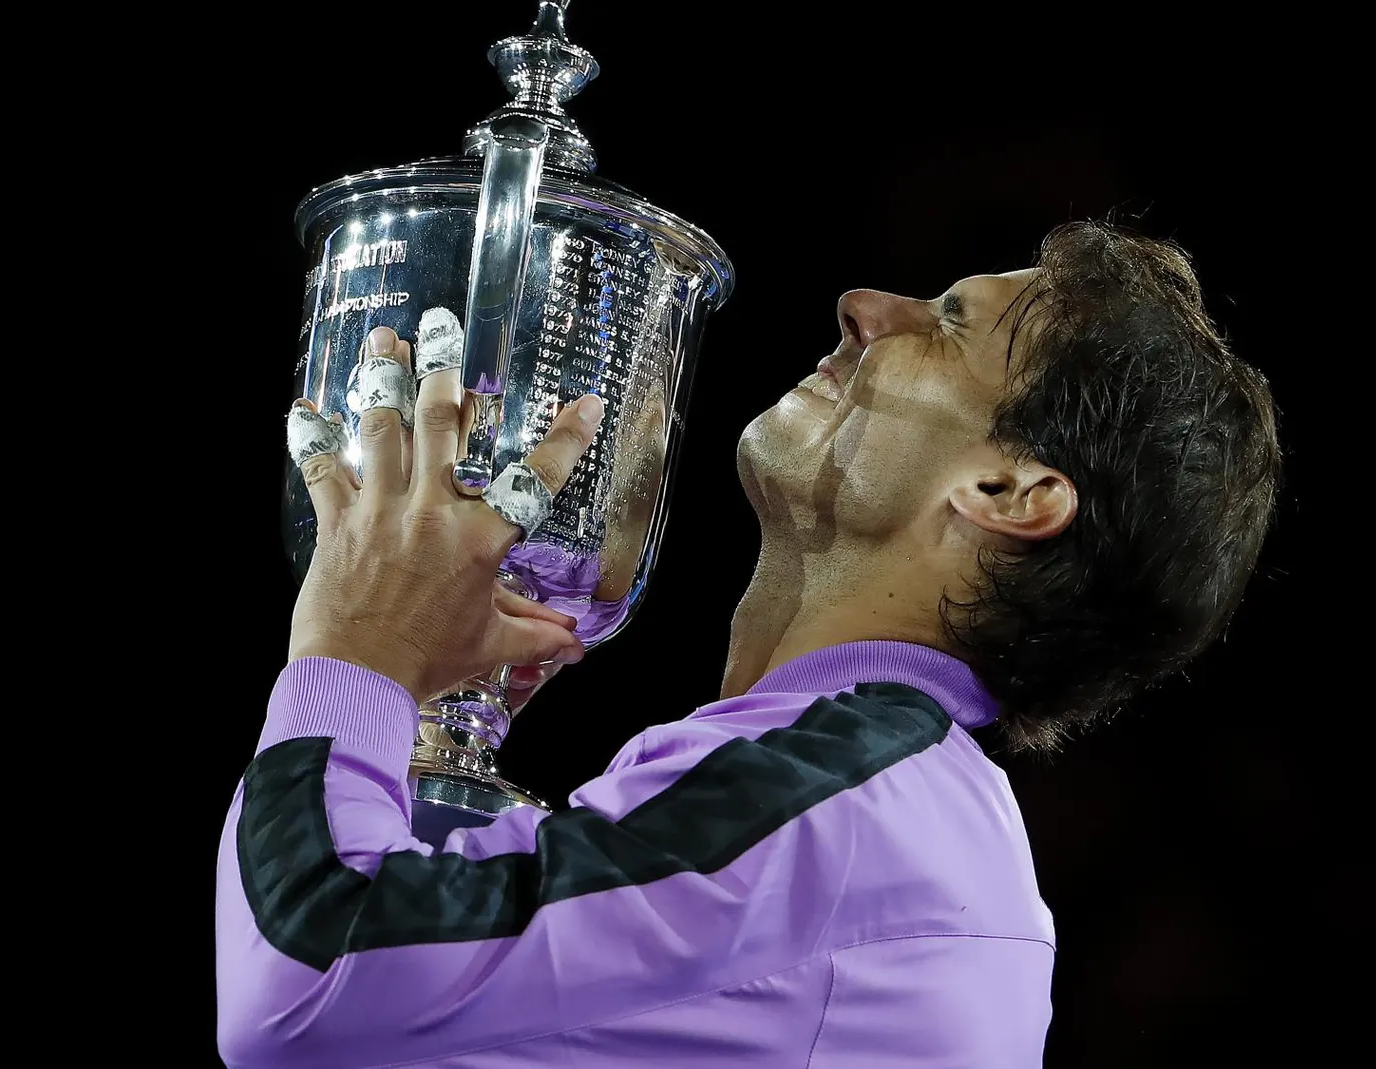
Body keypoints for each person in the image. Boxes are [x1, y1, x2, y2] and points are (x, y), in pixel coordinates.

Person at [215, 221, 1282, 1067]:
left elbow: (308, 976)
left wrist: (354, 649)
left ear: (1008, 494)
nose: (866, 307)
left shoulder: (837, 810)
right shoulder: (868, 794)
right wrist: (428, 730)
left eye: (948, 324)